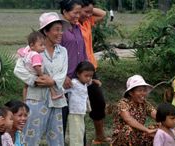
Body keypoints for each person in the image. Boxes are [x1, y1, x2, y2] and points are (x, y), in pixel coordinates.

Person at [14, 12, 69, 145]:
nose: (60, 33)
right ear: (46, 31)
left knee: (57, 137)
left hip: (57, 100)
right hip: (36, 99)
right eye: (56, 29)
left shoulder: (62, 51)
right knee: (31, 135)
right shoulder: (32, 49)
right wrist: (34, 80)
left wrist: (53, 81)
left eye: (62, 30)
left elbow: (63, 72)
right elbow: (18, 69)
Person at [77, 0, 111, 144]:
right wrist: (81, 9)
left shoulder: (87, 20)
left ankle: (99, 136)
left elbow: (103, 14)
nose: (90, 14)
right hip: (77, 70)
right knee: (78, 105)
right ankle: (78, 138)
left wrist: (88, 9)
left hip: (91, 68)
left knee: (98, 101)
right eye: (86, 12)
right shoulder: (73, 24)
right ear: (77, 10)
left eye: (91, 12)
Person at [59, 0, 89, 140]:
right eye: (75, 12)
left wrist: (88, 74)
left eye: (79, 12)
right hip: (64, 81)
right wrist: (62, 76)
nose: (78, 15)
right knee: (62, 117)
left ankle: (79, 143)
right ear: (65, 12)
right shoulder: (59, 30)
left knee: (78, 117)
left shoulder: (78, 28)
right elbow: (56, 54)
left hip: (77, 81)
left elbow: (83, 54)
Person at [111, 75, 158, 145]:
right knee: (127, 130)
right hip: (123, 140)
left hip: (139, 136)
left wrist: (161, 121)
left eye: (144, 90)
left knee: (157, 127)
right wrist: (147, 130)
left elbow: (155, 114)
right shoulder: (123, 104)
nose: (143, 93)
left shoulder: (144, 103)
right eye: (139, 90)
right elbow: (128, 119)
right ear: (131, 92)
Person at [18, 31, 62, 102]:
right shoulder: (36, 55)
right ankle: (54, 94)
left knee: (25, 87)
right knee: (49, 79)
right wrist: (41, 75)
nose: (43, 47)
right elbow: (37, 66)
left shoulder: (27, 52)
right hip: (35, 73)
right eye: (41, 45)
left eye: (44, 45)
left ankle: (24, 100)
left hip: (29, 72)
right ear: (32, 45)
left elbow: (21, 51)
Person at [64, 61, 101, 146]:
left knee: (80, 133)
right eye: (86, 76)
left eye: (90, 76)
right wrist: (63, 97)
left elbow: (89, 82)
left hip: (81, 113)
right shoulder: (73, 83)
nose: (88, 78)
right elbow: (63, 90)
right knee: (76, 135)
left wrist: (94, 81)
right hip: (74, 113)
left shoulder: (84, 83)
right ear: (78, 74)